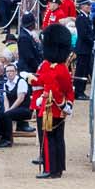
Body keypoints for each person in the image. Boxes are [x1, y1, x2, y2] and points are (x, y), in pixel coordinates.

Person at [32, 23, 75, 179]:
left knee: (49, 139)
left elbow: (56, 89)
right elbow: (68, 89)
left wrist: (62, 104)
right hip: (59, 109)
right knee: (57, 138)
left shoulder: (55, 67)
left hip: (51, 108)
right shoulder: (61, 67)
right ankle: (58, 168)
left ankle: (50, 169)